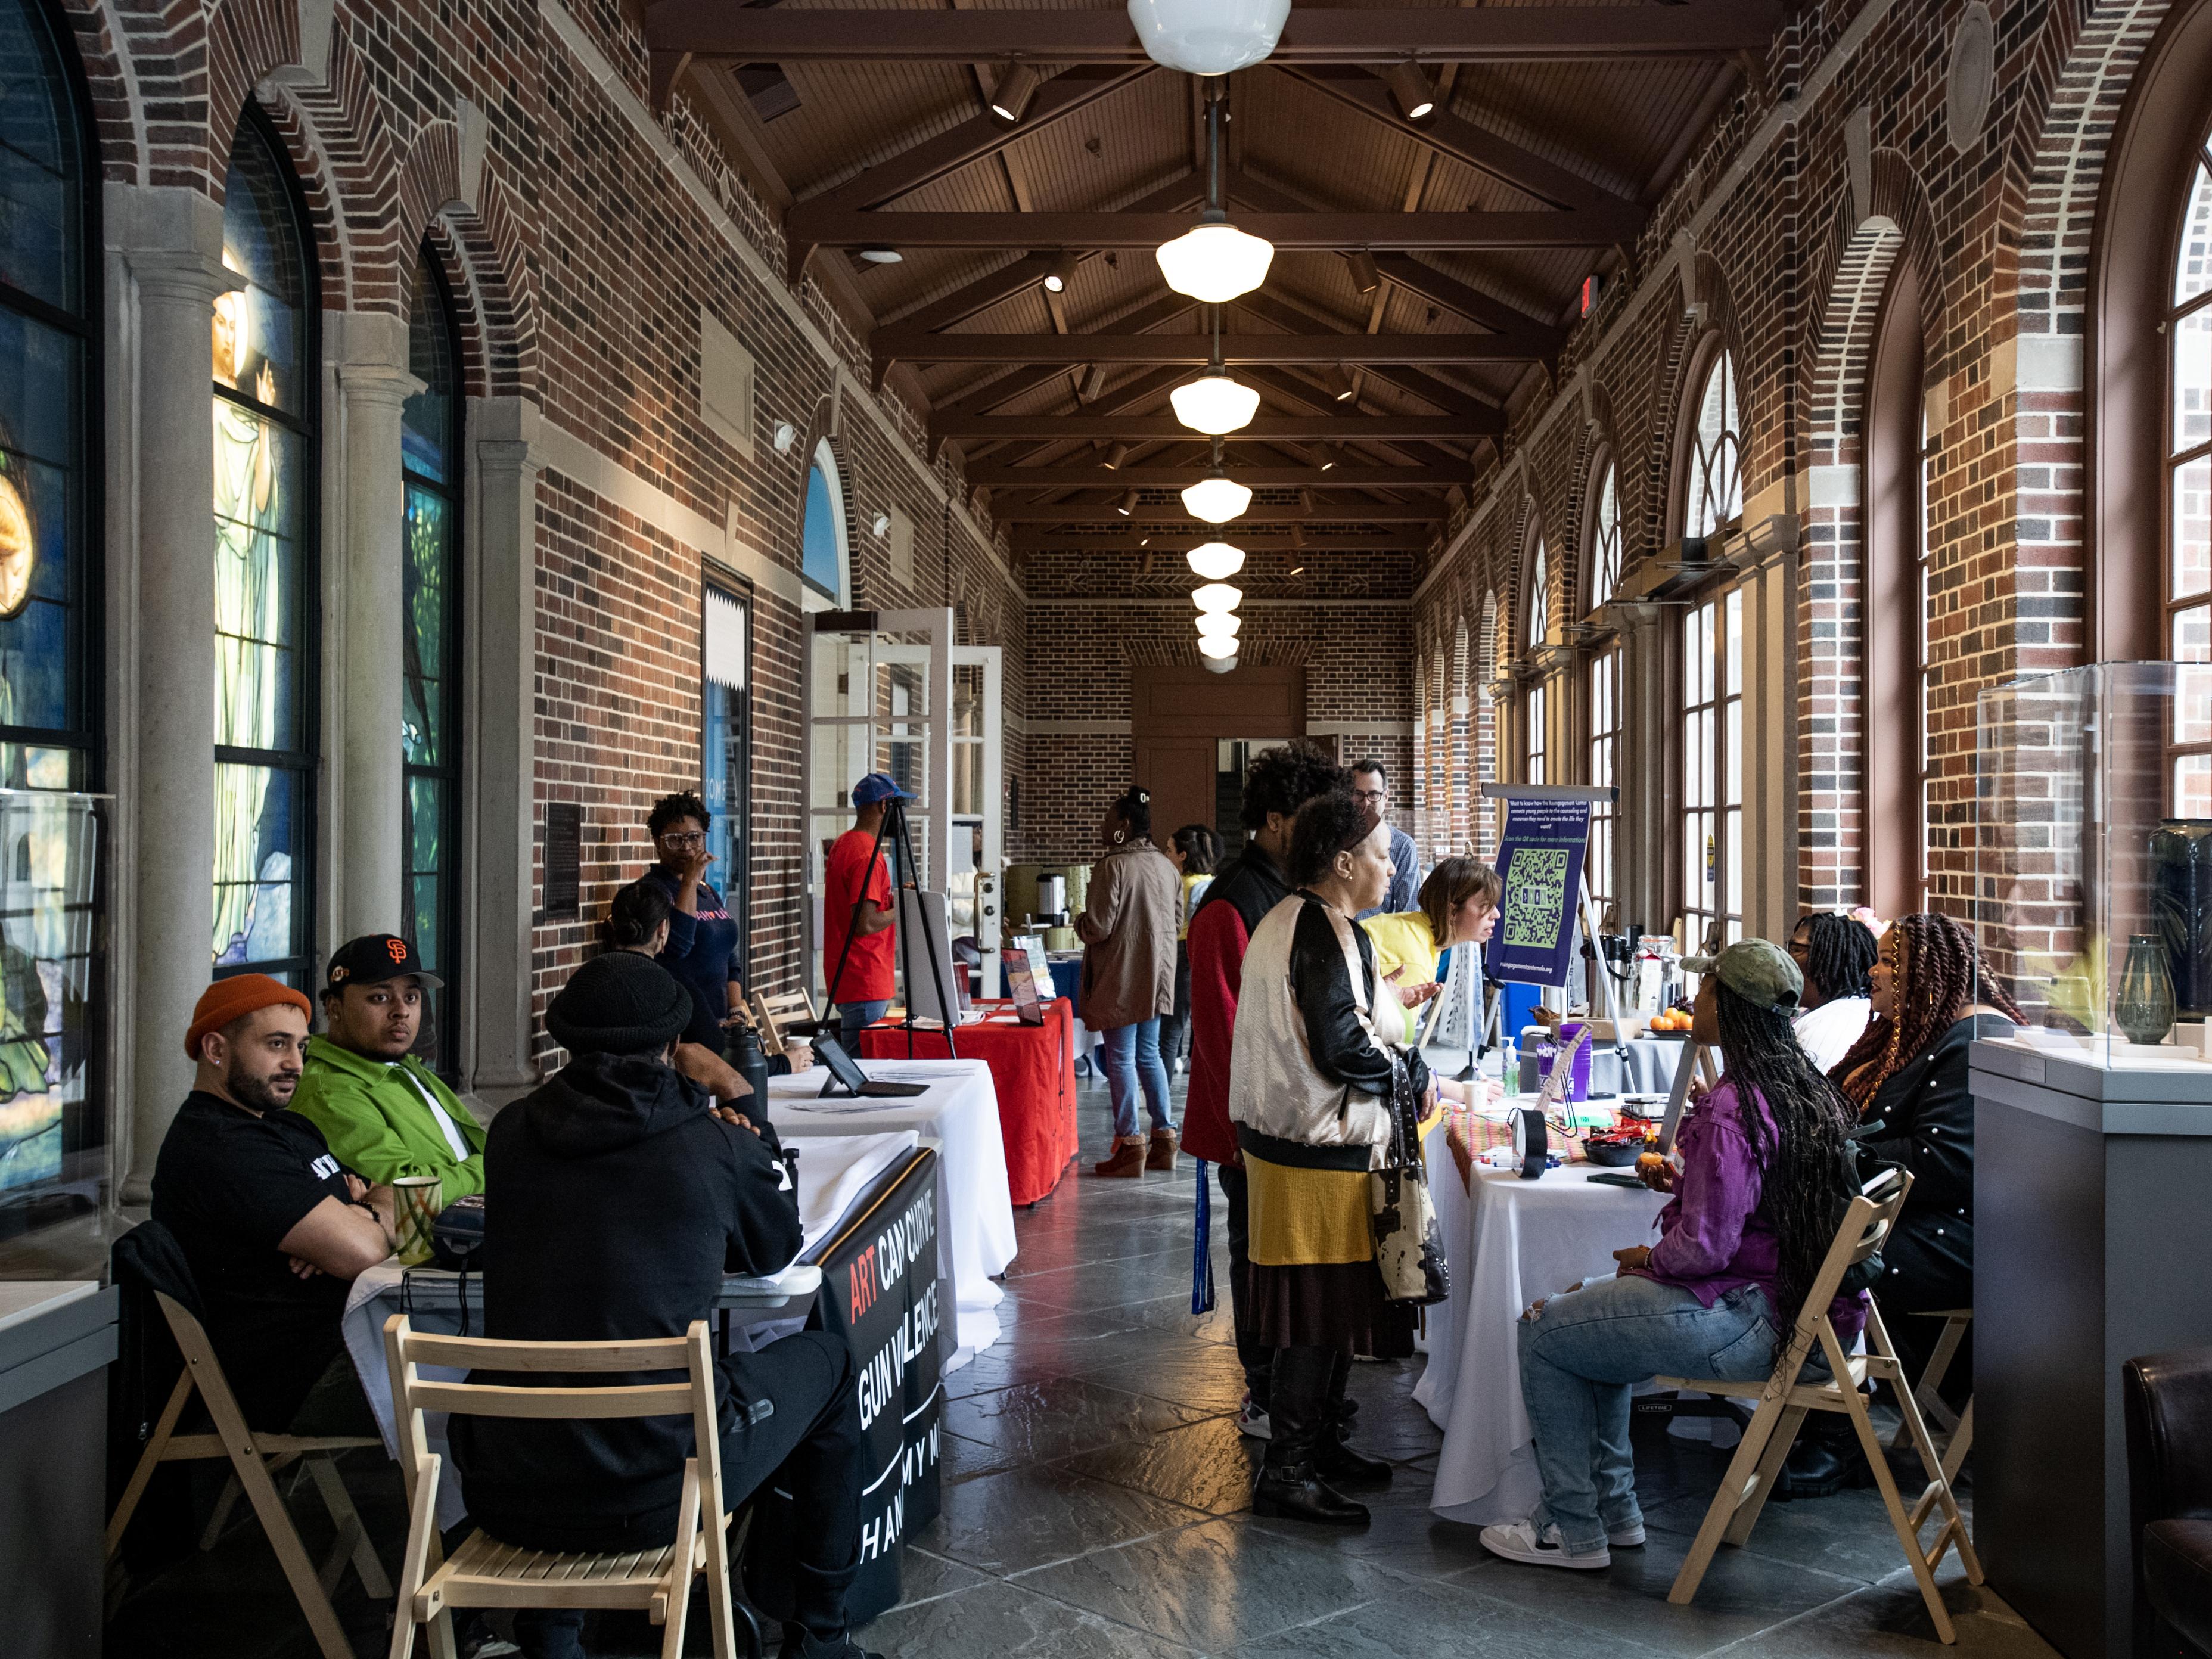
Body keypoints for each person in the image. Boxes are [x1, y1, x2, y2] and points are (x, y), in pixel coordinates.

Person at [451, 951, 880, 1659]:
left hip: (508, 1489)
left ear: (566, 1037)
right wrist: (741, 1099)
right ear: (674, 1044)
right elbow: (776, 1248)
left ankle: (550, 1635)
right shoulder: (709, 1142)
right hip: (655, 1491)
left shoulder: (510, 1134)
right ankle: (821, 1638)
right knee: (830, 1363)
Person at [1478, 940, 1863, 1570]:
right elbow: (1753, 1206)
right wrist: (1686, 1184)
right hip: (1805, 1321)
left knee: (1546, 1328)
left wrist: (1646, 1260)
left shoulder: (1732, 1107)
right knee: (1584, 1320)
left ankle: (1569, 1530)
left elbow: (1704, 1249)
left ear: (1731, 1006)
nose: (1695, 999)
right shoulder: (1800, 1088)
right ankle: (1616, 1513)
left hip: (1751, 1324)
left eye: (1706, 987)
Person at [1230, 790, 1467, 1524]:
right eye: (1377, 854)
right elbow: (1341, 1045)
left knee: (1325, 1309)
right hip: (1314, 1150)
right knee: (1314, 1312)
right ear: (1341, 862)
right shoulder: (1322, 928)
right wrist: (1410, 1073)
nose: (1390, 869)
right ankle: (1290, 1469)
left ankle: (1320, 1446)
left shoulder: (1295, 919)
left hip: (1293, 1147)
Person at [1778, 911, 2023, 1499]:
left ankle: (1835, 1439)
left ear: (1928, 974)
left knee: (1819, 1258)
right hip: (1926, 1225)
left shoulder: (1974, 1040)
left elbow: (1943, 1165)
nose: (1874, 971)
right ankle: (1807, 1420)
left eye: (1889, 960)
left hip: (1962, 1244)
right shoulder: (1932, 1032)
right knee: (1799, 1237)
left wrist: (1835, 1155)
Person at [1183, 740, 1350, 1439]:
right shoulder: (1230, 905)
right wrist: (1250, 1135)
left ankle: (1300, 1397)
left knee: (1297, 1268)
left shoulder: (1291, 894)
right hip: (1252, 1124)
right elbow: (1226, 1039)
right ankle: (1262, 1391)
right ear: (1280, 821)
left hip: (1291, 1121)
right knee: (1259, 1260)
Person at [150, 975, 396, 1434]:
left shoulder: (288, 1129)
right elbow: (364, 1253)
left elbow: (391, 1192)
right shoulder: (221, 1146)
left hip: (349, 1346)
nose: (295, 1064)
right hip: (296, 1381)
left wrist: (360, 1216)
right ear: (216, 1050)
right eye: (277, 1044)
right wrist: (353, 1226)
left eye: (301, 1046)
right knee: (480, 1376)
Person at [290, 934, 484, 1204]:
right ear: (335, 1008)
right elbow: (406, 1193)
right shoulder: (328, 1093)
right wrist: (492, 1167)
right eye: (380, 997)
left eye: (411, 997)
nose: (401, 1011)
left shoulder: (400, 1064)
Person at [605, 880, 812, 1089]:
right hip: (656, 1100)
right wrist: (784, 1063)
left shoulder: (591, 979)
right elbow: (722, 1060)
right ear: (663, 929)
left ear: (613, 925)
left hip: (594, 1100)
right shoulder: (674, 986)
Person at [1081, 785, 1182, 1178]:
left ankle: (1129, 1146)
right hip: (1157, 975)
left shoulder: (1113, 866)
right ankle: (1164, 1139)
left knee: (1121, 1058)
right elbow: (1175, 924)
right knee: (1150, 1055)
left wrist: (1079, 922)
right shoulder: (1166, 867)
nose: (1104, 826)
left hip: (1122, 974)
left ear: (1124, 825)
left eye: (1109, 819)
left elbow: (1099, 926)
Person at [639, 790, 749, 1052]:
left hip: (722, 1024)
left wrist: (737, 1011)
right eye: (675, 840)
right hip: (686, 1027)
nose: (687, 847)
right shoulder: (651, 892)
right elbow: (678, 946)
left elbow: (729, 959)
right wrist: (689, 880)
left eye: (694, 838)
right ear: (657, 842)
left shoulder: (707, 891)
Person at [1360, 856, 1502, 1039]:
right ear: (1452, 910)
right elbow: (1394, 1038)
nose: (1496, 915)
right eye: (1486, 906)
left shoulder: (1418, 931)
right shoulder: (1412, 955)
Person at [823, 773, 904, 1052]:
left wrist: (891, 901)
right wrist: (903, 908)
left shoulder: (844, 844)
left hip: (848, 976)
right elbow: (865, 923)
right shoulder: (868, 854)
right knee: (862, 1071)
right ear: (884, 806)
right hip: (866, 976)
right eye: (898, 806)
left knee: (853, 1063)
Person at [1157, 822, 1220, 1074]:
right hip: (1201, 956)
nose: (1166, 854)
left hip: (1182, 955)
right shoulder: (1211, 881)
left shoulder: (1181, 884)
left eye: (1170, 850)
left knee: (1170, 1031)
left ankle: (1161, 1097)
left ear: (1183, 856)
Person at [1787, 911, 1878, 1072]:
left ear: (1823, 962)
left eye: (1795, 950)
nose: (1786, 958)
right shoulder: (1853, 1006)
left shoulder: (1826, 1028)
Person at [1349, 758, 1419, 919]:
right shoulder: (1332, 839)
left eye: (1374, 794)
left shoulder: (1403, 847)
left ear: (1386, 796)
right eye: (1358, 794)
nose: (1366, 802)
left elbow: (1409, 915)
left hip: (1377, 942)